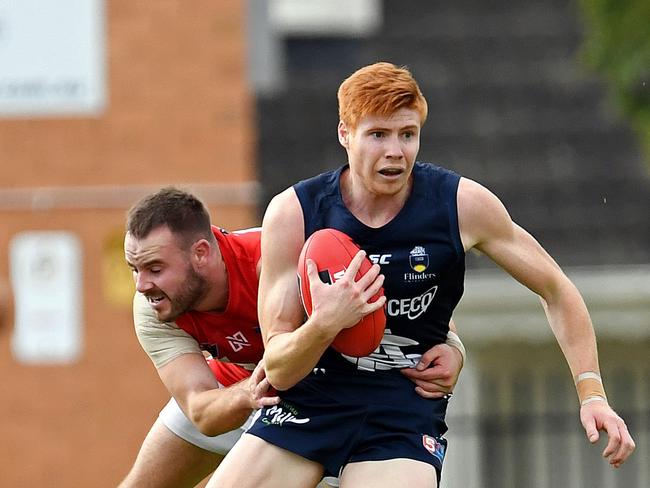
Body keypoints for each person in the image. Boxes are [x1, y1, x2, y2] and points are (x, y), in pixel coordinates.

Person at [208, 62, 636, 488]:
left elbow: (556, 289)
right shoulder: (294, 213)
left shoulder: (460, 205)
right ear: (345, 134)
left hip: (401, 407)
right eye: (378, 135)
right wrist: (326, 322)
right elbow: (279, 370)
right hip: (309, 399)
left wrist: (591, 392)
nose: (396, 151)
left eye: (407, 134)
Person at [119, 187, 467, 488]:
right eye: (135, 269)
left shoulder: (282, 253)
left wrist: (453, 346)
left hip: (320, 400)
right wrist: (249, 393)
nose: (141, 285)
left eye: (155, 268)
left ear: (200, 253)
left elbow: (397, 297)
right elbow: (201, 411)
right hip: (241, 392)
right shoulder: (153, 307)